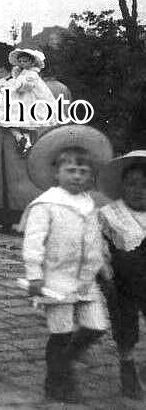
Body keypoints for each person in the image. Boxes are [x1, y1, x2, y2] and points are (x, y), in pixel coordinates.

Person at [21, 124, 113, 403]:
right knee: (60, 333)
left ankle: (64, 364)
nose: (77, 176)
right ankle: (57, 381)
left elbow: (94, 239)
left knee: (96, 326)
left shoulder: (88, 203)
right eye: (70, 170)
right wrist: (34, 275)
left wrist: (102, 266)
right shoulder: (46, 203)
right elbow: (33, 242)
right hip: (56, 279)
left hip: (84, 280)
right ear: (56, 173)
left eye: (83, 172)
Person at [0, 41, 42, 233]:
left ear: (2, 66)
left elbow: (22, 111)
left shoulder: (17, 85)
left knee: (14, 175)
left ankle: (15, 217)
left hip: (13, 135)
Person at [97, 151, 146, 400]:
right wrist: (105, 273)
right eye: (132, 184)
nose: (138, 190)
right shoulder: (110, 215)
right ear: (122, 186)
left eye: (145, 185)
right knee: (125, 328)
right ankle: (127, 369)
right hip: (122, 284)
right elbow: (100, 248)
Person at [0, 48, 57, 156]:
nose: (22, 63)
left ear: (32, 62)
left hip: (28, 100)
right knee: (11, 121)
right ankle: (22, 140)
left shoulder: (32, 74)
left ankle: (24, 140)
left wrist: (16, 85)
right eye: (20, 61)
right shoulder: (20, 72)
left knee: (23, 121)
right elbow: (16, 82)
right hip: (19, 99)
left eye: (25, 61)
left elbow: (26, 86)